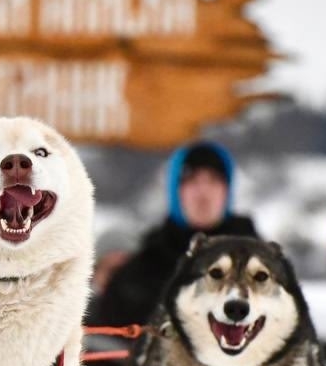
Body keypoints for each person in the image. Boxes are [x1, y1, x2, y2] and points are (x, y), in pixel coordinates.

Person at [88, 139, 258, 329]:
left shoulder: (259, 263)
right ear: (175, 190)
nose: (203, 192)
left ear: (228, 190)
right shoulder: (143, 268)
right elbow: (106, 333)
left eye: (213, 180)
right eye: (191, 181)